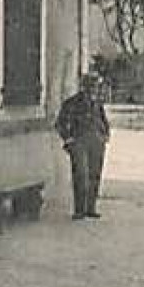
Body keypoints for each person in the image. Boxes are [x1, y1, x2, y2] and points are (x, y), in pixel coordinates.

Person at [55, 71, 110, 221]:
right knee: (81, 175)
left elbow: (103, 121)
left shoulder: (97, 104)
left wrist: (105, 136)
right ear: (84, 87)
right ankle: (79, 210)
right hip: (79, 142)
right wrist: (68, 140)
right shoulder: (72, 103)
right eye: (91, 86)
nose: (94, 89)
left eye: (96, 86)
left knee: (94, 175)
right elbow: (60, 123)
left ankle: (90, 208)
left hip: (96, 142)